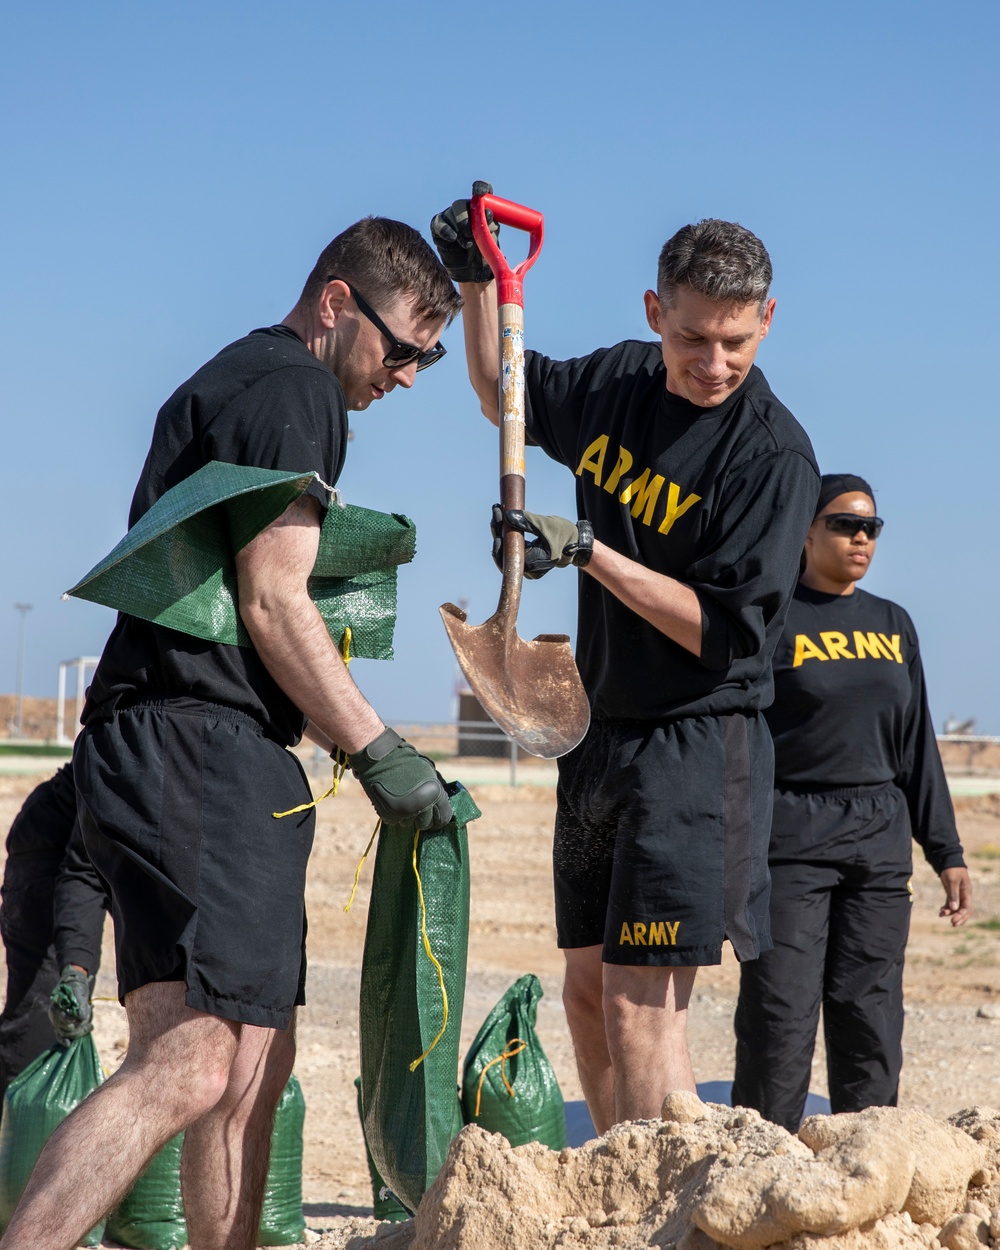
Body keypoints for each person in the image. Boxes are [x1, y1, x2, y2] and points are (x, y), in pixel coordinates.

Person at [0, 217, 460, 1250]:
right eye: (401, 349)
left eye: (428, 356)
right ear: (336, 303)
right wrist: (377, 746)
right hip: (195, 739)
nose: (408, 376)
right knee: (203, 1055)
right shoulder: (293, 388)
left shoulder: (246, 380)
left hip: (184, 744)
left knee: (255, 1050)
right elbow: (271, 597)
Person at [431, 185, 819, 1132]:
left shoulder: (772, 459)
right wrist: (479, 279)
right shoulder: (615, 384)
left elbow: (726, 633)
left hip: (695, 748)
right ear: (656, 314)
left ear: (768, 321)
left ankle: (658, 1218)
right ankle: (625, 1181)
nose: (715, 362)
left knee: (646, 1004)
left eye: (737, 340)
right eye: (693, 338)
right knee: (590, 995)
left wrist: (588, 553)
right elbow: (499, 391)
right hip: (598, 735)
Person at [731, 474, 972, 1131]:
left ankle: (867, 1155)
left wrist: (945, 850)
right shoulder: (772, 617)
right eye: (845, 523)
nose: (862, 537)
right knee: (780, 1010)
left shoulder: (894, 624)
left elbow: (917, 743)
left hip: (878, 836)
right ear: (806, 530)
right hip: (790, 837)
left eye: (871, 527)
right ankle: (763, 1162)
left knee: (868, 1006)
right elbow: (736, 737)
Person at [0, 765, 107, 1104]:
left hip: (106, 849)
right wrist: (75, 969)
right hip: (53, 844)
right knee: (48, 1010)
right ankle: (16, 1140)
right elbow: (84, 873)